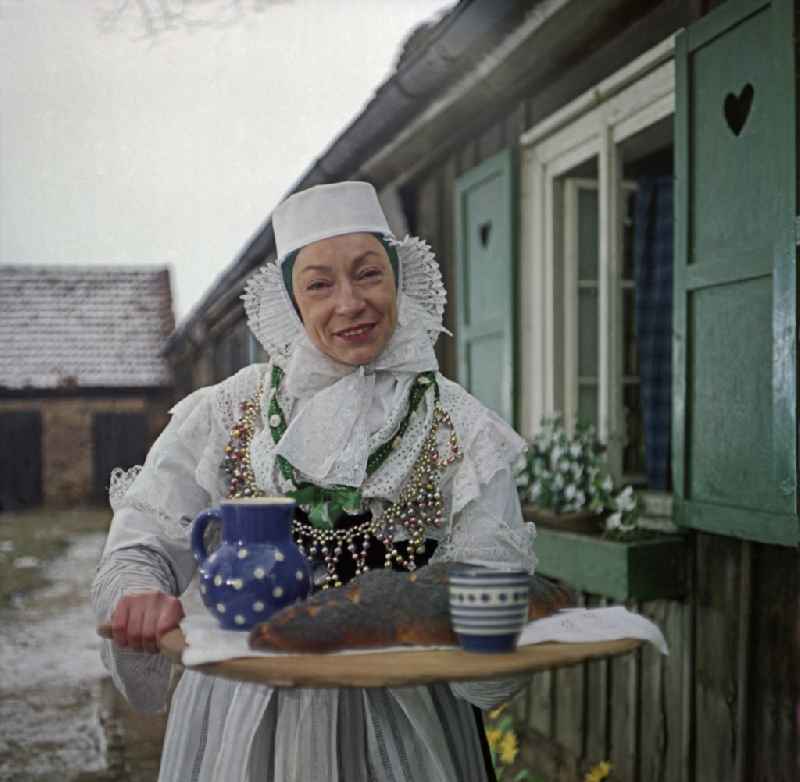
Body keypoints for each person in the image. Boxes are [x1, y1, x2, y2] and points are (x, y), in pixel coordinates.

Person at [92, 181, 537, 781]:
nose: (350, 303)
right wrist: (139, 589)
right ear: (292, 302)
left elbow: (493, 569)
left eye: (368, 274)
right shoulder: (230, 410)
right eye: (320, 284)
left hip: (405, 713)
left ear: (398, 280)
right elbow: (145, 533)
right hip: (247, 711)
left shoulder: (458, 423)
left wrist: (476, 608)